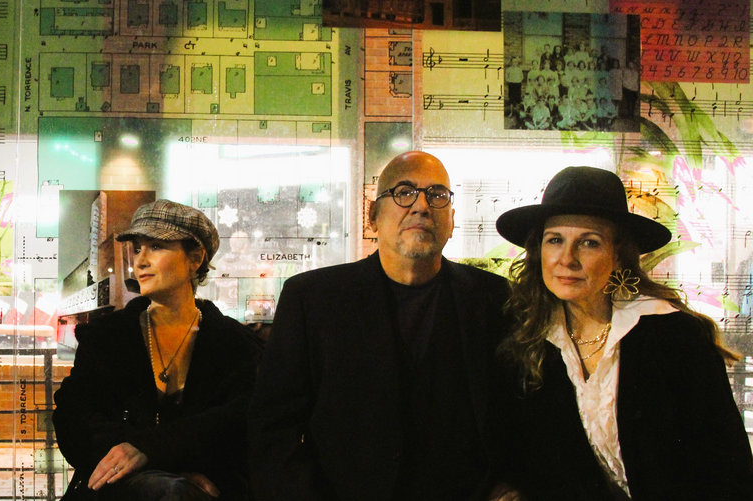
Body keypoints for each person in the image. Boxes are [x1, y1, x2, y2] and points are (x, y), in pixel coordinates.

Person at [248, 151, 510, 500]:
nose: (421, 206)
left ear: (451, 219)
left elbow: (518, 413)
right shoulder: (312, 299)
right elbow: (272, 428)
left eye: (437, 195)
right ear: (372, 216)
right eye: (404, 192)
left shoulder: (494, 298)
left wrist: (511, 482)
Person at [494, 166, 753, 499]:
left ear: (618, 256)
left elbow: (729, 468)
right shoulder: (531, 338)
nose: (567, 259)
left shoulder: (673, 335)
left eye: (589, 243)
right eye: (555, 240)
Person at [53, 199, 263, 500]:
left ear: (195, 258)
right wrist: (162, 467)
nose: (140, 261)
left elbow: (240, 428)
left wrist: (149, 450)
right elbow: (74, 421)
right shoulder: (106, 338)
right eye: (138, 248)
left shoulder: (235, 345)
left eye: (156, 247)